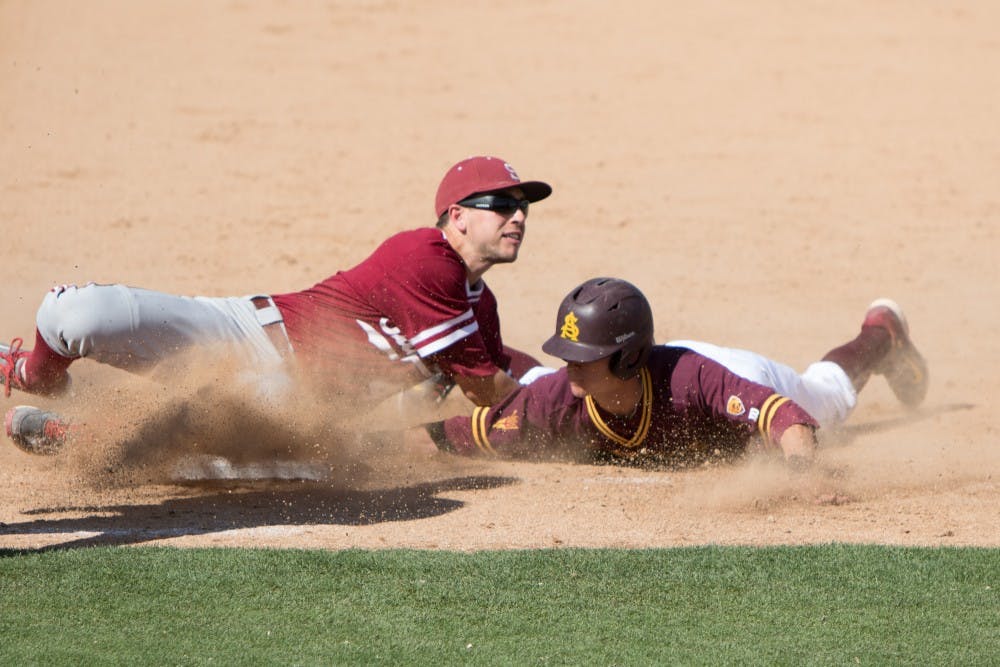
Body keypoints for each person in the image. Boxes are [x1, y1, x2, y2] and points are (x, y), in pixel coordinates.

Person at [1, 156, 553, 448]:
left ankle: (84, 439)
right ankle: (37, 373)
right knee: (74, 313)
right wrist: (550, 391)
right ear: (457, 216)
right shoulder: (425, 254)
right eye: (502, 205)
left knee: (262, 412)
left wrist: (566, 381)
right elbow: (490, 388)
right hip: (248, 329)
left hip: (298, 411)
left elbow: (501, 373)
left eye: (523, 207)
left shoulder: (482, 311)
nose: (519, 217)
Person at [422, 277, 928, 469]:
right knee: (533, 390)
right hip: (663, 370)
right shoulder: (562, 394)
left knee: (828, 398)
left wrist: (800, 476)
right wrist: (356, 450)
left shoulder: (696, 381)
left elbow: (787, 419)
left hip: (740, 375)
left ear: (624, 358)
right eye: (567, 353)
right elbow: (456, 434)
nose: (570, 364)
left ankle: (883, 333)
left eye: (584, 355)